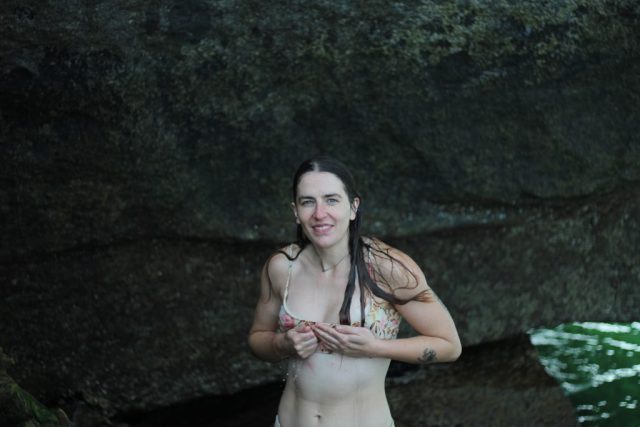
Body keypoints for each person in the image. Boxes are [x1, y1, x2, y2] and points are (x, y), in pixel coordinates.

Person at [248, 156, 461, 427]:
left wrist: (376, 347)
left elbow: (449, 346)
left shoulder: (387, 267)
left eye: (331, 200)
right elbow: (257, 339)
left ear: (353, 207)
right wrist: (282, 344)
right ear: (296, 212)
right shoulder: (282, 267)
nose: (319, 213)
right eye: (308, 202)